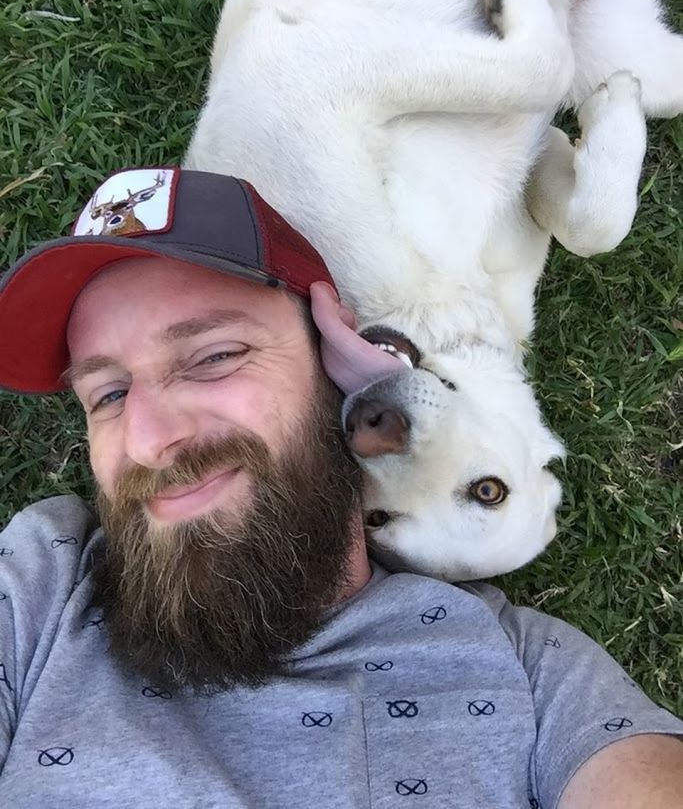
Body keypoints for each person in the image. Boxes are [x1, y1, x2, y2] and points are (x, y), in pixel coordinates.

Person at [0, 167, 681, 809]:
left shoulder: (530, 670)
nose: (149, 440)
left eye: (213, 357)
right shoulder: (43, 580)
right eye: (109, 393)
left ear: (334, 360)